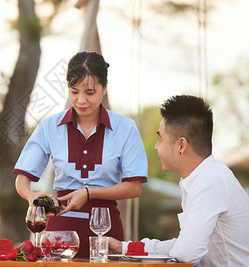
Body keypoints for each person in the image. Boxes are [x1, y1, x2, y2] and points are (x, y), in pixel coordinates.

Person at [14, 51, 148, 258]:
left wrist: (88, 193)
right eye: (74, 91)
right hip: (58, 234)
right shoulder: (50, 126)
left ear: (104, 88)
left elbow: (134, 187)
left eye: (90, 92)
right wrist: (32, 197)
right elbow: (22, 177)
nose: (81, 100)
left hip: (105, 232)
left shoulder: (125, 128)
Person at [109, 95, 249, 266]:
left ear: (181, 145)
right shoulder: (204, 177)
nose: (155, 147)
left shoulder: (210, 181)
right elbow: (183, 245)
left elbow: (185, 253)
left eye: (160, 138)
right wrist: (125, 248)